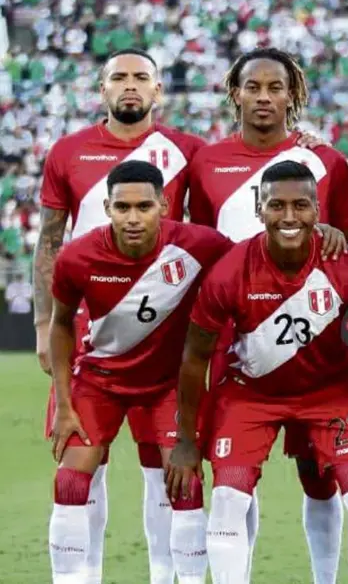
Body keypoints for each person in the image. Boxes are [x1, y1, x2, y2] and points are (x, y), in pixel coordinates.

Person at [168, 161, 348, 584]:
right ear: (260, 209)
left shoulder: (344, 268)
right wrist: (186, 440)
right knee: (227, 499)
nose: (289, 217)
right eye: (277, 205)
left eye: (300, 206)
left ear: (317, 211)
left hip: (330, 393)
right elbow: (194, 359)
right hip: (250, 394)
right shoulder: (230, 271)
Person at [185, 47, 348, 584]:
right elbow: (201, 239)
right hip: (230, 336)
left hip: (307, 333)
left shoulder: (325, 161)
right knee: (235, 474)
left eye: (276, 87)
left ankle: (325, 577)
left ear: (294, 93)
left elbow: (344, 236)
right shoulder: (206, 162)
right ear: (234, 92)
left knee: (319, 472)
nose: (265, 97)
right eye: (253, 87)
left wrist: (333, 234)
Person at [34, 48, 205, 584]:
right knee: (87, 462)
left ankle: (164, 574)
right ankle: (85, 573)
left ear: (158, 91)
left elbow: (212, 227)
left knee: (164, 470)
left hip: (163, 335)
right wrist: (44, 324)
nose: (129, 86)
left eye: (141, 78)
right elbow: (49, 240)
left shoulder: (189, 152)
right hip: (87, 333)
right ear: (101, 90)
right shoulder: (68, 152)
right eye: (118, 78)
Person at [46, 161, 234, 584]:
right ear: (107, 208)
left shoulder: (198, 243)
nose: (133, 218)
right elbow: (61, 324)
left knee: (185, 484)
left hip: (168, 385)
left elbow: (252, 257)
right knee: (71, 483)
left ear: (164, 205)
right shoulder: (77, 256)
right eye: (123, 207)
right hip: (100, 382)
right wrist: (62, 401)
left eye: (144, 206)